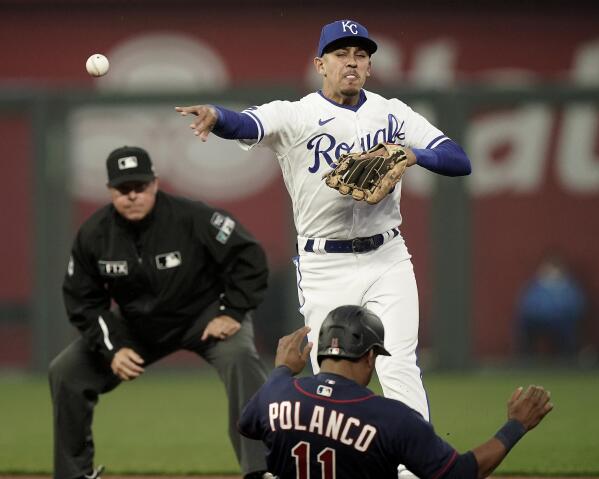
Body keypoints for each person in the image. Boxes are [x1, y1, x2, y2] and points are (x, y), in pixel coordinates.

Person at [175, 20, 472, 475]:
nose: (350, 61)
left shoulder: (394, 114)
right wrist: (216, 117)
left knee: (398, 366)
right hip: (323, 264)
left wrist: (413, 154)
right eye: (339, 54)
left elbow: (458, 159)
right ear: (320, 64)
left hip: (387, 257)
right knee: (327, 375)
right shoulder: (296, 115)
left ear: (370, 65)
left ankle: (415, 472)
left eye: (359, 54)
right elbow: (246, 122)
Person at [48, 146, 270, 479]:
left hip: (204, 317)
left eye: (140, 186)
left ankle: (261, 470)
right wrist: (113, 347)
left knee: (240, 357)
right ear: (110, 191)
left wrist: (234, 311)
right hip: (137, 326)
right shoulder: (94, 234)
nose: (133, 195)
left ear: (154, 184)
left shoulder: (192, 216)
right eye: (123, 189)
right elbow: (82, 300)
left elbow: (248, 256)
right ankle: (74, 474)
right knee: (65, 370)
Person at [239, 305, 553, 479]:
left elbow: (247, 424)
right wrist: (516, 425)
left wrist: (281, 371)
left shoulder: (277, 392)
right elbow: (460, 473)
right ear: (369, 355)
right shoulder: (392, 417)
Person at [516, 255, 586, 359]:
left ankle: (567, 359)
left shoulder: (569, 286)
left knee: (567, 327)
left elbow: (578, 305)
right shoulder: (536, 286)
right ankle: (526, 359)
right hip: (538, 320)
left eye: (554, 269)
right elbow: (526, 304)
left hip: (561, 322)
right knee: (525, 323)